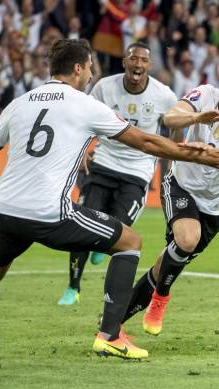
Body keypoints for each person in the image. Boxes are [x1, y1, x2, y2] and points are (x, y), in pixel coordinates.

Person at [0, 38, 219, 366]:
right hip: (50, 213)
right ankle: (110, 335)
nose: (91, 74)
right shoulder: (83, 103)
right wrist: (196, 153)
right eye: (89, 67)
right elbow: (146, 141)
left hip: (6, 211)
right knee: (130, 242)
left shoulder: (20, 103)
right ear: (78, 68)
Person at [119, 53, 219, 337]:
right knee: (187, 239)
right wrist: (197, 116)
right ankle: (158, 301)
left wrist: (211, 157)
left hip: (216, 204)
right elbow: (171, 117)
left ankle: (122, 317)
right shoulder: (204, 94)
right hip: (182, 184)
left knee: (167, 261)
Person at [57, 42, 179, 305]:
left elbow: (175, 127)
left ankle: (103, 243)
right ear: (125, 62)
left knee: (120, 231)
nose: (138, 64)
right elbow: (82, 120)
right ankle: (73, 287)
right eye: (133, 59)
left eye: (143, 60)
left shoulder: (164, 95)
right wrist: (81, 153)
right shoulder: (104, 87)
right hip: (103, 164)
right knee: (79, 227)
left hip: (137, 171)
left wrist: (171, 165)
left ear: (149, 66)